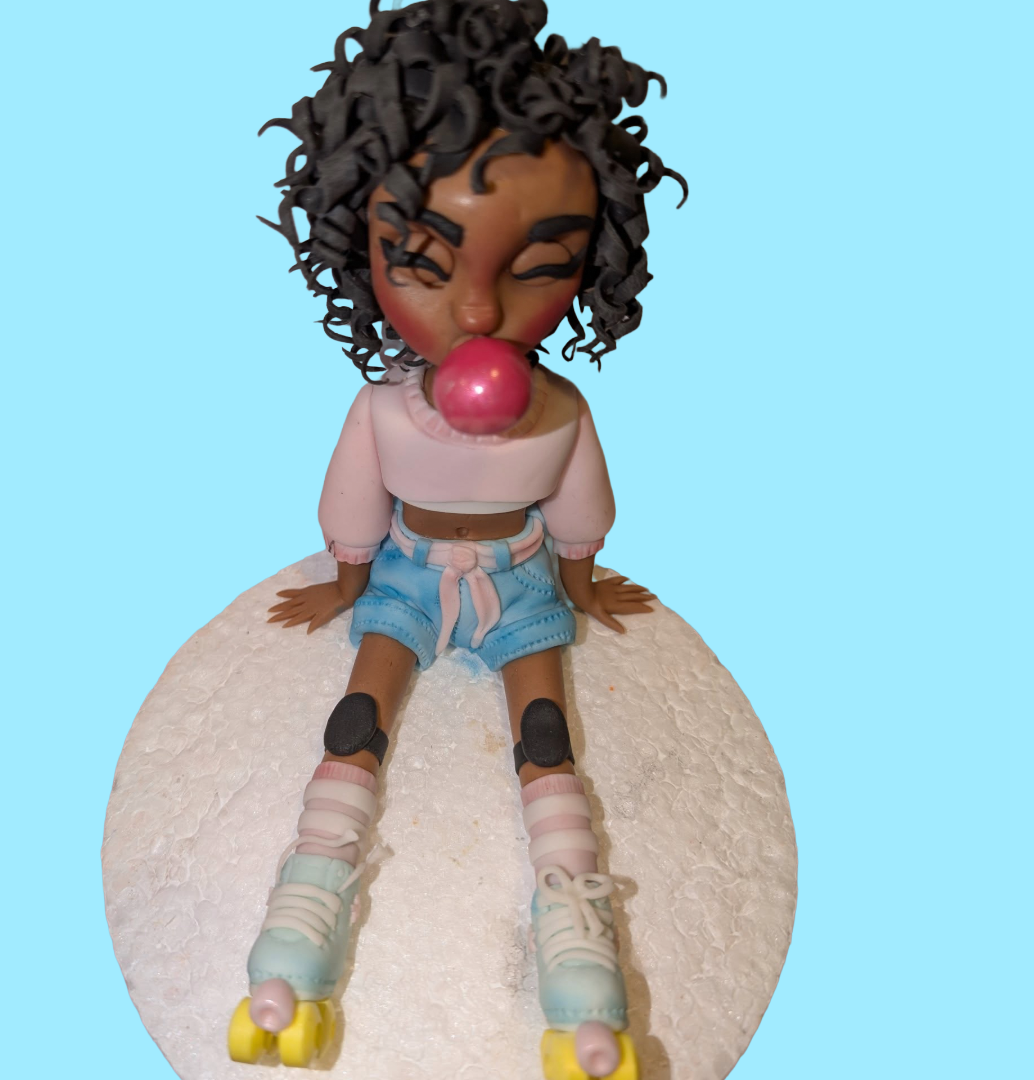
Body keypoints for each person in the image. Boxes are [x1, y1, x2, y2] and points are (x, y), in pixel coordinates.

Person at [227, 3, 686, 1076]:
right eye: (424, 262)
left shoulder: (563, 415)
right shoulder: (383, 412)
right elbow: (354, 505)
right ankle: (304, 910)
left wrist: (581, 583)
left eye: (539, 264)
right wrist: (348, 583)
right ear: (360, 249)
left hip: (522, 581)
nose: (478, 313)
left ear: (592, 264)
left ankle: (579, 945)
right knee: (357, 716)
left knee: (545, 735)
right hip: (405, 575)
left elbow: (578, 510)